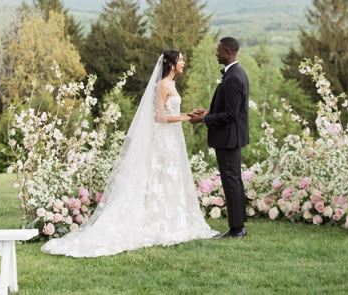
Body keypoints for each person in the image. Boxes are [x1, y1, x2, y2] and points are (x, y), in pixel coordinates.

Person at [41, 50, 218, 257]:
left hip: (172, 139)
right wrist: (186, 118)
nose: (183, 62)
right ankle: (157, 223)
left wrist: (187, 114)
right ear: (171, 64)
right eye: (180, 60)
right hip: (163, 139)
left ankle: (172, 220)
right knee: (161, 178)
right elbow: (159, 117)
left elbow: (170, 113)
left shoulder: (172, 84)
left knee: (171, 178)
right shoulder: (161, 85)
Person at [190, 37, 249, 238]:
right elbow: (228, 109)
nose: (216, 53)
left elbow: (231, 115)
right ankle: (239, 225)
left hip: (229, 139)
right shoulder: (235, 73)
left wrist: (204, 119)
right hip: (230, 138)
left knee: (231, 181)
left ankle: (236, 229)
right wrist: (208, 112)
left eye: (218, 50)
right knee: (234, 180)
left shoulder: (233, 77)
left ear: (227, 51)